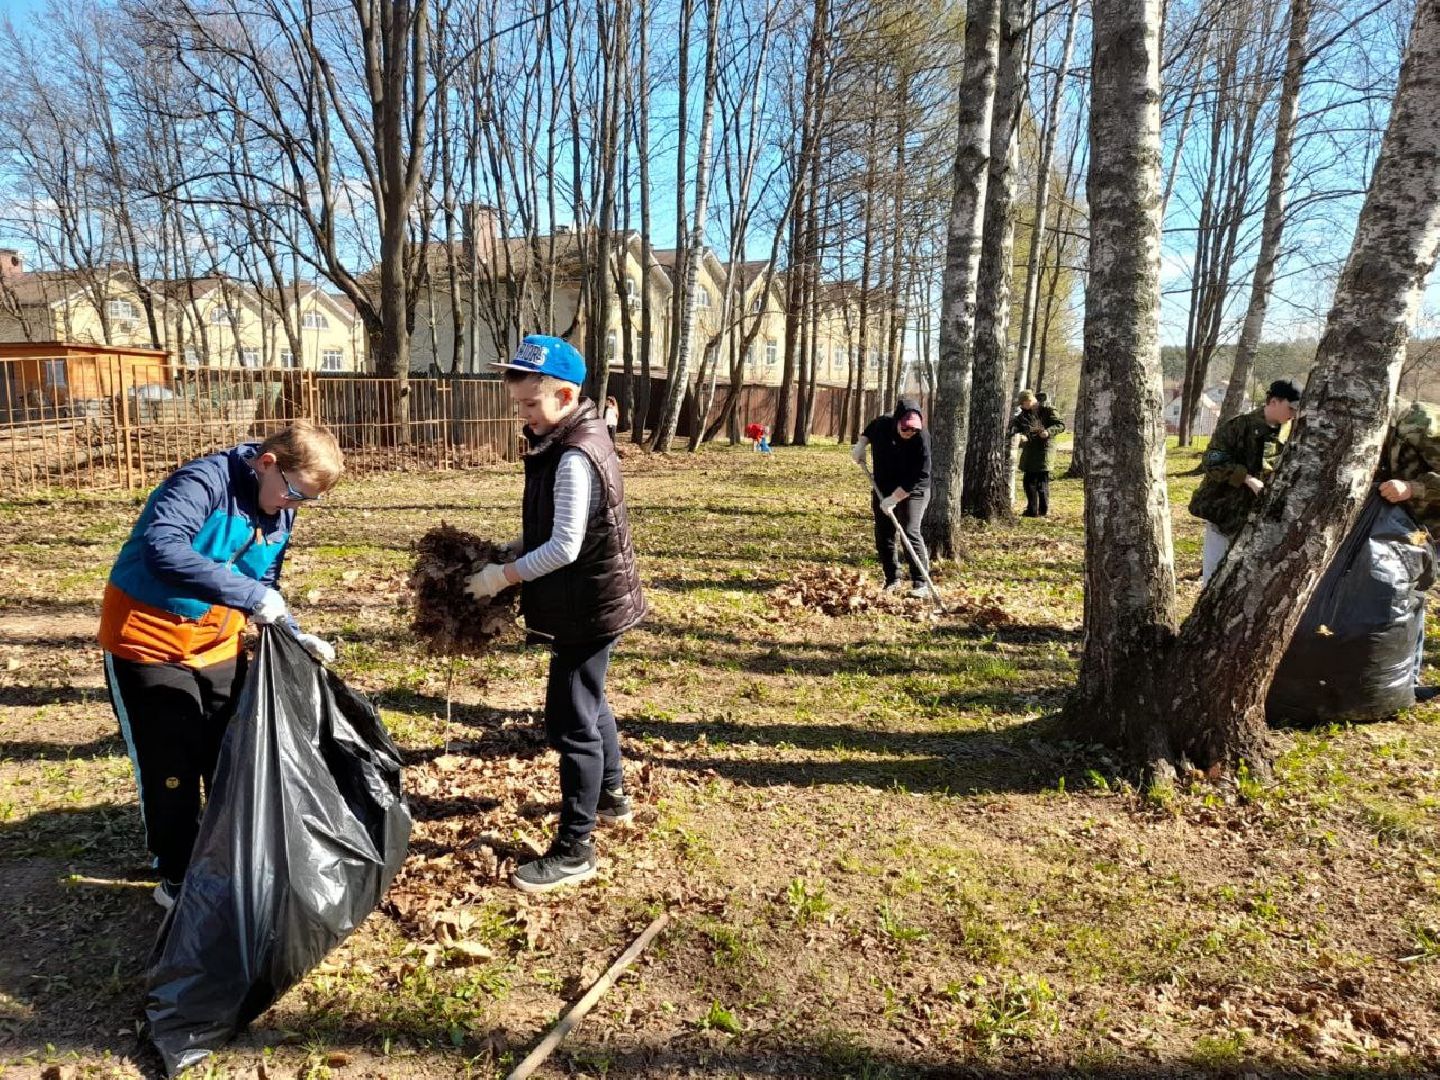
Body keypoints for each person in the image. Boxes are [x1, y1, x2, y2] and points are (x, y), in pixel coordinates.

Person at [99, 421, 344, 909]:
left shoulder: (281, 507)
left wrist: (292, 632)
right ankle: (175, 874)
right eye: (295, 493)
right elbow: (163, 548)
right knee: (170, 763)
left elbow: (266, 577)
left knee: (227, 755)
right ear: (267, 463)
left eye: (308, 501)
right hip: (145, 640)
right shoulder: (203, 482)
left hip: (217, 644)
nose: (295, 506)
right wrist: (252, 594)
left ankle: (227, 858)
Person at [466, 335, 647, 893]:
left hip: (586, 604)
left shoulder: (573, 454)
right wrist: (515, 544)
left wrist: (502, 576)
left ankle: (576, 848)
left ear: (566, 396)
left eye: (528, 405)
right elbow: (555, 527)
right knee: (591, 701)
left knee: (571, 720)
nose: (521, 415)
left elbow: (565, 545)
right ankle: (613, 795)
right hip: (590, 598)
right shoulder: (568, 436)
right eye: (517, 403)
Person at [1188, 378, 1301, 585]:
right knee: (1213, 575)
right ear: (1274, 402)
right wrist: (1247, 479)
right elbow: (1212, 460)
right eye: (1290, 407)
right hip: (1224, 512)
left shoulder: (1290, 435)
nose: (1293, 414)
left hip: (1256, 519)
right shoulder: (1239, 426)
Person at [1377, 400, 1440, 700]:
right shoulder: (1374, 430)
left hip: (1434, 529)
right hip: (1413, 532)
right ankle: (1408, 681)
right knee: (1410, 601)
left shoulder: (1422, 423)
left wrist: (1412, 488)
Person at [851, 398, 933, 599]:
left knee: (910, 530)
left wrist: (895, 498)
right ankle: (892, 579)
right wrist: (860, 446)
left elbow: (921, 475)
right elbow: (868, 431)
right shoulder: (883, 423)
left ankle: (920, 582)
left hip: (913, 489)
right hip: (883, 486)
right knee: (884, 532)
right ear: (897, 421)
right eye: (905, 428)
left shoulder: (922, 438)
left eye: (913, 429)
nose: (909, 433)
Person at [1008, 389, 1066, 518]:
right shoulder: (1024, 414)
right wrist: (1018, 433)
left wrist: (1048, 432)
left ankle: (1043, 510)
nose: (1022, 406)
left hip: (1044, 450)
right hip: (1030, 450)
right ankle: (1032, 510)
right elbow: (1015, 426)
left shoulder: (1048, 410)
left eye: (1023, 404)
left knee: (1041, 482)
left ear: (1029, 401)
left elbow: (1061, 425)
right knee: (1028, 482)